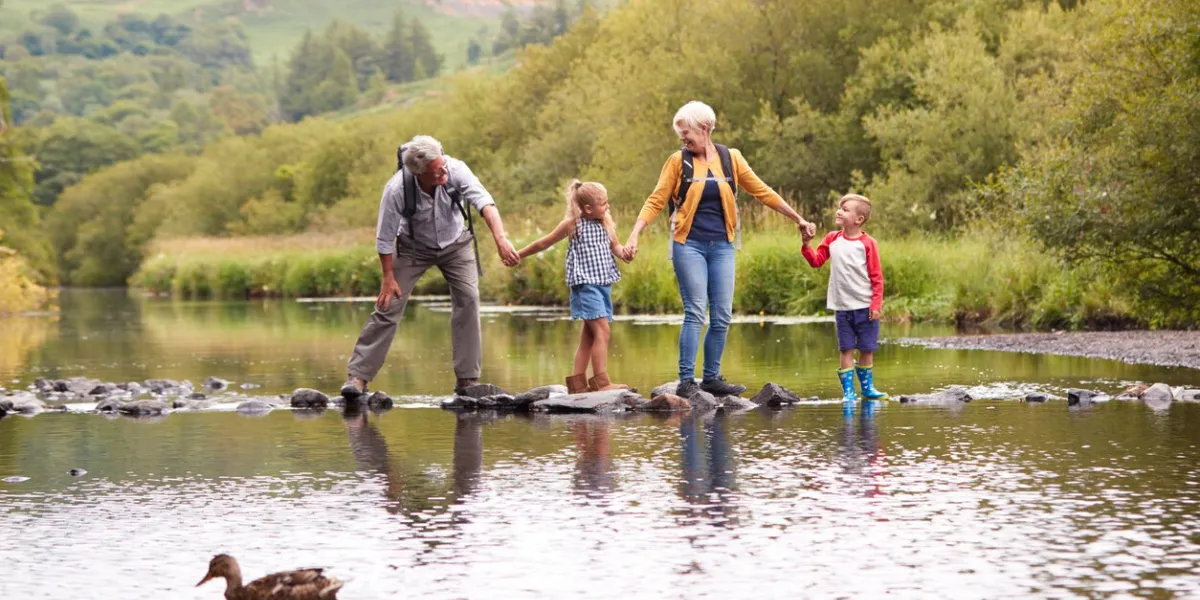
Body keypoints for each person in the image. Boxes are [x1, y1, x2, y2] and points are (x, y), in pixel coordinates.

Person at [624, 101, 817, 398]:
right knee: (695, 311)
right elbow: (656, 200)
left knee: (723, 314)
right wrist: (635, 233)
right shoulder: (678, 161)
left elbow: (762, 191)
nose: (682, 140)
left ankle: (711, 377)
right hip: (688, 244)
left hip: (723, 246)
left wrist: (798, 219)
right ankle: (687, 381)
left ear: (705, 128)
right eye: (680, 135)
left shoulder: (731, 158)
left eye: (686, 133)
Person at [341, 135, 520, 398]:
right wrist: (388, 277)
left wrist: (501, 239)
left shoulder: (455, 169)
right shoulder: (397, 190)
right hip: (413, 248)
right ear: (419, 173)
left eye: (442, 164)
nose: (443, 170)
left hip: (456, 244)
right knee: (388, 305)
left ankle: (467, 381)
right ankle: (358, 377)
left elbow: (485, 203)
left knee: (468, 300)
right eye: (437, 170)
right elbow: (384, 237)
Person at [515, 180, 632, 393]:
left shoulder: (605, 222)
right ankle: (601, 382)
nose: (607, 207)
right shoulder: (573, 225)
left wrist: (625, 253)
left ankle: (577, 385)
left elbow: (615, 246)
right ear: (588, 208)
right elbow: (544, 242)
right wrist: (519, 254)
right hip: (585, 285)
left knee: (589, 336)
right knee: (603, 331)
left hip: (602, 284)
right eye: (604, 203)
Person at [800, 193, 889, 403]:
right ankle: (849, 392)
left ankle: (867, 389)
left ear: (859, 219)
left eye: (845, 209)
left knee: (866, 349)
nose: (839, 211)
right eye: (839, 207)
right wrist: (806, 245)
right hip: (842, 308)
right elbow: (816, 261)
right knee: (846, 348)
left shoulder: (868, 243)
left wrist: (876, 304)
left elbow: (877, 277)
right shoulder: (832, 239)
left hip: (866, 307)